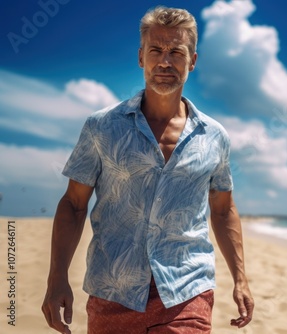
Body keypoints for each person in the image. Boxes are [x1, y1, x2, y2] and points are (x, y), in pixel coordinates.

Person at [41, 6, 254, 334]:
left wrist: (241, 279)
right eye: (156, 50)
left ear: (192, 61)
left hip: (186, 291)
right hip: (113, 291)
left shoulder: (214, 136)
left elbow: (223, 209)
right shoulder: (102, 126)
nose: (165, 61)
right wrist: (57, 279)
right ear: (141, 57)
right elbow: (73, 203)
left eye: (176, 52)